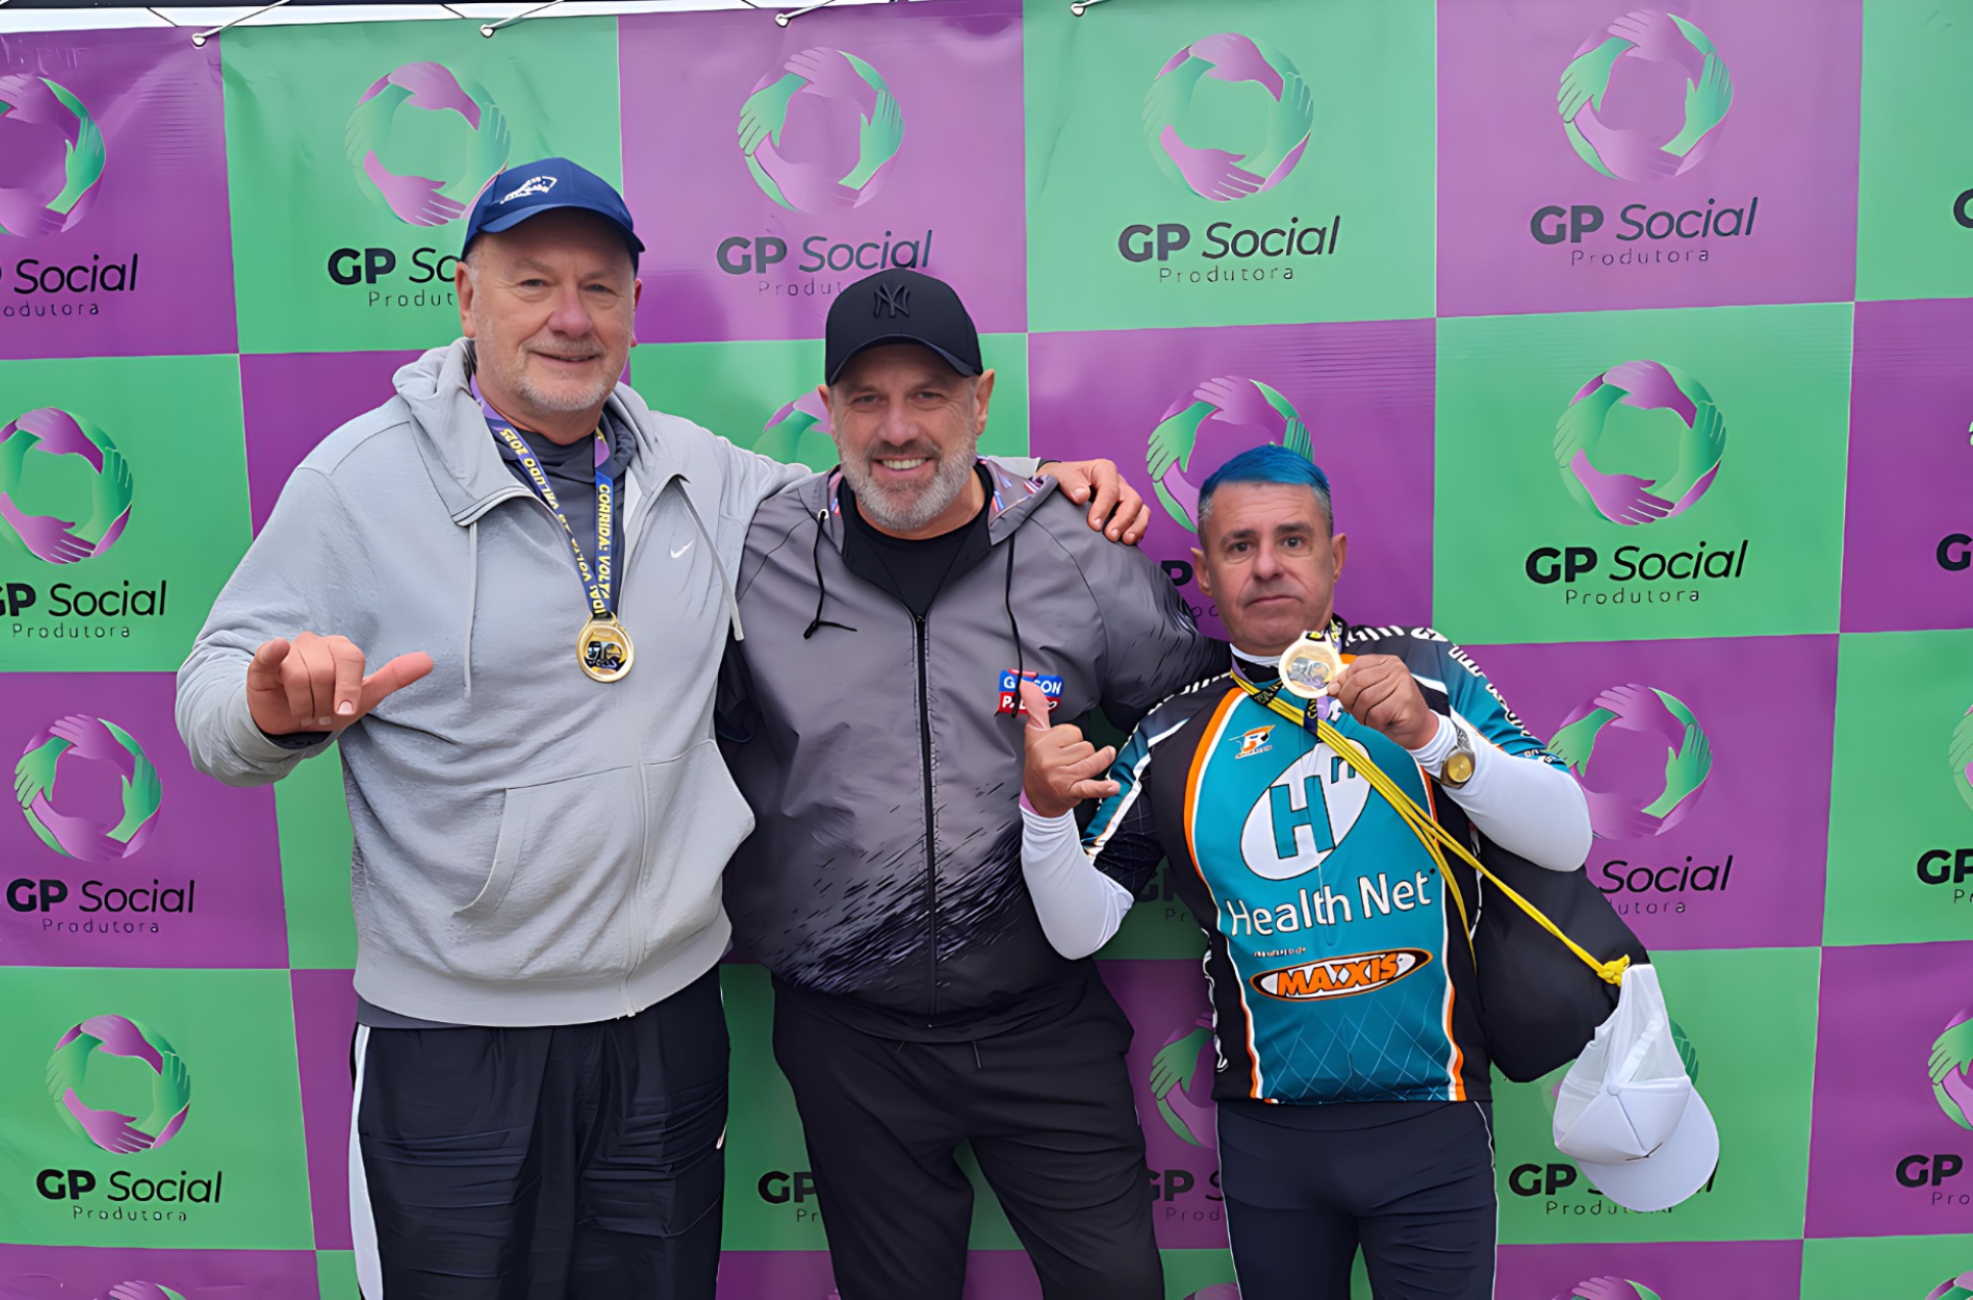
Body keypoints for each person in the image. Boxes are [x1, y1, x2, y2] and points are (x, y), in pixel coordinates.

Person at [173, 157, 1143, 1300]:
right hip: (455, 1034)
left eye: (599, 286)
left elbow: (887, 480)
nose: (570, 316)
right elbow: (212, 697)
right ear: (467, 296)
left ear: (634, 308)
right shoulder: (359, 480)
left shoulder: (699, 471)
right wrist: (268, 711)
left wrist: (1042, 483)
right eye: (533, 282)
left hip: (665, 1022)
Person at [717, 267, 1230, 1300]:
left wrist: (1106, 862)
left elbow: (1192, 720)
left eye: (930, 394)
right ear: (827, 410)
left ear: (981, 400)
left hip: (1042, 1021)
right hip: (847, 1036)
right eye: (867, 397)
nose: (897, 428)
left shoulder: (1079, 546)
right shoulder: (756, 547)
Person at [1014, 445, 1594, 1300]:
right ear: (1203, 573)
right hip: (1270, 1142)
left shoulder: (1422, 673)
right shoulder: (1172, 733)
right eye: (1239, 546)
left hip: (1434, 1120)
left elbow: (1567, 836)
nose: (1267, 566)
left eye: (1293, 540)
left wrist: (1436, 741)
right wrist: (1041, 812)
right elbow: (1079, 928)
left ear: (1335, 555)